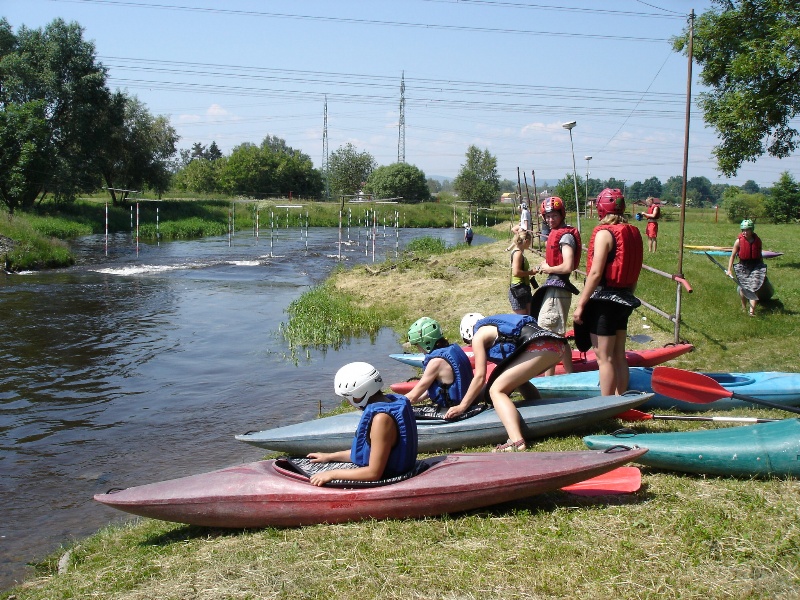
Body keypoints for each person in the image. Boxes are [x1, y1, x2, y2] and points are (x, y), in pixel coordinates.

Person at [445, 313, 566, 452]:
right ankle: (541, 421)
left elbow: (479, 377)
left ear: (468, 335)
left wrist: (462, 406)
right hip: (557, 346)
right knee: (519, 382)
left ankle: (516, 441)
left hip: (540, 347)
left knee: (496, 391)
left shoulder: (478, 336)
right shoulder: (494, 328)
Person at [573, 188, 643, 396]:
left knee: (604, 358)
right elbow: (633, 271)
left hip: (604, 302)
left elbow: (595, 273)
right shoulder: (631, 232)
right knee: (619, 355)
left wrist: (581, 304)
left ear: (602, 208)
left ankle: (606, 404)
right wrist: (628, 295)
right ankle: (621, 398)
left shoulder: (605, 233)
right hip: (624, 299)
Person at [306, 362, 418, 486]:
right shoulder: (389, 404)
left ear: (359, 395)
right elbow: (365, 453)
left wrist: (332, 474)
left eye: (347, 398)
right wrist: (330, 456)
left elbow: (373, 473)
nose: (348, 403)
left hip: (389, 477)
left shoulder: (382, 420)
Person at [535, 196, 581, 376]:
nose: (550, 219)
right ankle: (565, 373)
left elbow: (568, 265)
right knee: (557, 335)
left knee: (548, 333)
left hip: (558, 288)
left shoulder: (566, 237)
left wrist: (549, 268)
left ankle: (550, 378)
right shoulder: (559, 233)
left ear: (561, 215)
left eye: (554, 215)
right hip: (556, 287)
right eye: (547, 216)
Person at [404, 317, 473, 409]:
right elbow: (429, 392)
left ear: (426, 343)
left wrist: (392, 404)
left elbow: (412, 397)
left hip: (453, 410)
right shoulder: (454, 350)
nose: (419, 349)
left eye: (418, 345)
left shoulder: (435, 363)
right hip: (469, 402)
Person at [726, 219, 768, 317]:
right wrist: (729, 270)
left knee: (754, 287)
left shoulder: (758, 241)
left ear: (751, 230)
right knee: (743, 288)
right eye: (743, 230)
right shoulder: (738, 241)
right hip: (743, 266)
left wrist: (762, 271)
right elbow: (732, 256)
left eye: (747, 230)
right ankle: (744, 307)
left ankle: (751, 312)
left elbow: (759, 254)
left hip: (756, 265)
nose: (744, 232)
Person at [508, 229, 537, 315]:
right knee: (522, 318)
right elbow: (516, 272)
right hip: (518, 288)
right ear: (526, 241)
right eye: (530, 242)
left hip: (523, 287)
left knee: (529, 315)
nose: (530, 244)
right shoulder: (518, 254)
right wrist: (530, 272)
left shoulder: (518, 252)